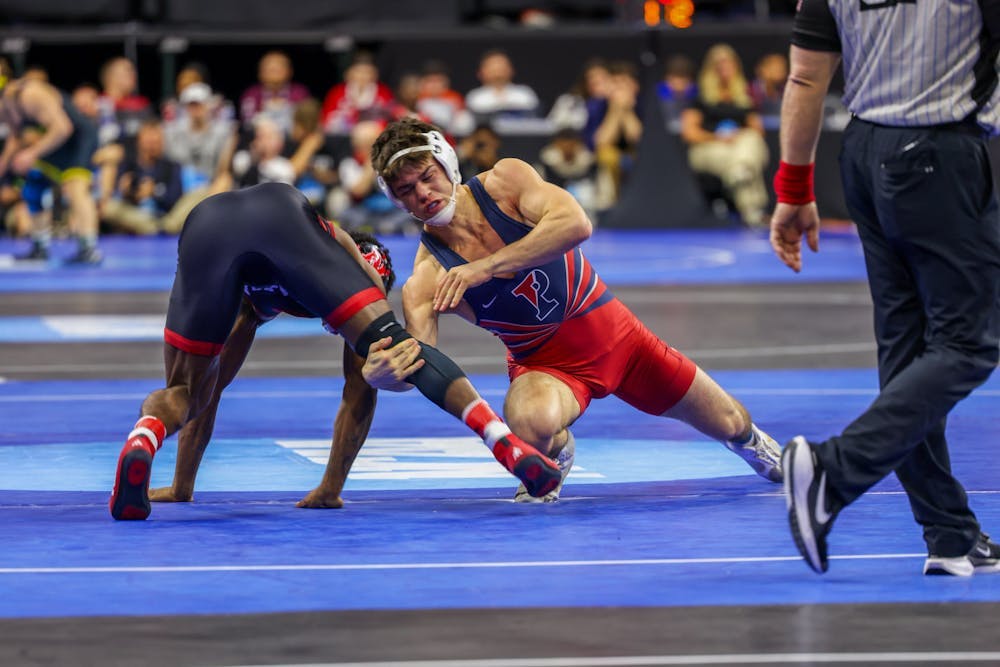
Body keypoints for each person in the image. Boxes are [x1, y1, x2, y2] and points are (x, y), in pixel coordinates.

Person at [360, 118, 783, 504]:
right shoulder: (427, 277)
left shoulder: (505, 183)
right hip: (548, 369)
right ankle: (558, 451)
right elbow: (423, 364)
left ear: (446, 162)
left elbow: (575, 224)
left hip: (624, 341)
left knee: (730, 422)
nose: (423, 194)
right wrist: (385, 376)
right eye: (406, 190)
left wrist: (486, 268)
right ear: (396, 201)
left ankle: (750, 441)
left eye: (426, 177)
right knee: (527, 423)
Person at [109, 181, 562, 521]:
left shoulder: (255, 301)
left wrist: (183, 486)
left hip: (206, 225)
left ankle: (143, 437)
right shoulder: (336, 259)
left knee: (187, 389)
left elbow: (213, 385)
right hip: (283, 220)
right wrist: (330, 488)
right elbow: (357, 393)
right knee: (399, 346)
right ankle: (504, 442)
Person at [770, 0, 1000, 576]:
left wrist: (794, 187)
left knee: (906, 348)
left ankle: (948, 532)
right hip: (937, 155)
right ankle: (831, 471)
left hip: (866, 156)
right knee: (967, 344)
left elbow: (805, 75)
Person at [0, 57, 103, 264]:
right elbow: (15, 138)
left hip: (77, 138)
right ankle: (40, 246)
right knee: (33, 185)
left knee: (76, 187)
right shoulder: (6, 104)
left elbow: (63, 127)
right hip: (53, 141)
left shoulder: (29, 94)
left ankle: (88, 248)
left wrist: (31, 153)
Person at [680, 44, 770, 227]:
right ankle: (752, 209)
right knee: (739, 160)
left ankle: (739, 173)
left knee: (750, 143)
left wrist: (738, 136)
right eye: (719, 65)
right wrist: (717, 138)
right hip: (709, 147)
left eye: (728, 64)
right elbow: (689, 132)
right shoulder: (700, 97)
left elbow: (758, 130)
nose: (724, 70)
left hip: (739, 146)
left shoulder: (745, 97)